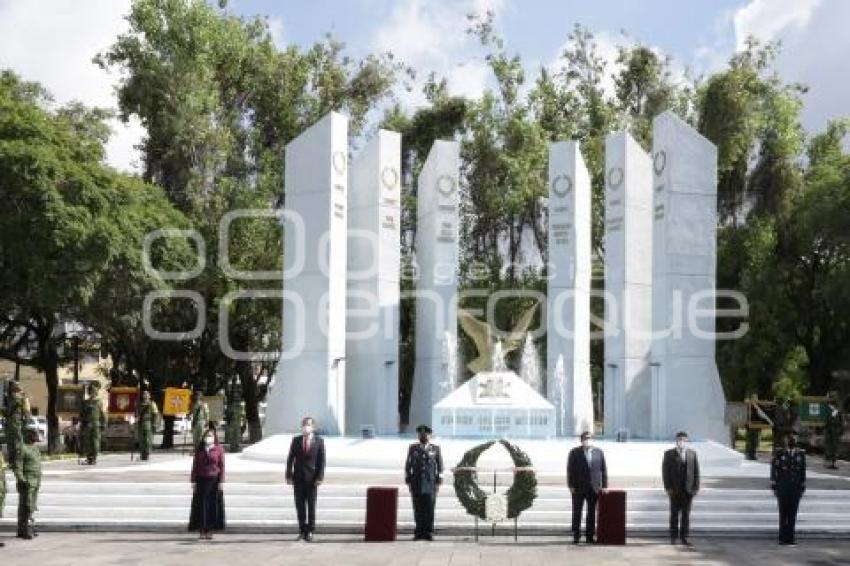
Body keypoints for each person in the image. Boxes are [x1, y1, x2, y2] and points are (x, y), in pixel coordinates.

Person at [286, 416, 325, 541]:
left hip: (312, 479)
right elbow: (290, 458)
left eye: (308, 424)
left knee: (311, 506)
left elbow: (321, 461)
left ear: (313, 427)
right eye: (304, 424)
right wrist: (288, 475)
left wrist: (320, 477)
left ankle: (311, 531)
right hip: (298, 479)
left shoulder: (319, 441)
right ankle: (302, 530)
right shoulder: (296, 440)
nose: (306, 426)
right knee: (300, 506)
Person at [567, 431, 608, 544]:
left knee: (591, 513)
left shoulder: (598, 452)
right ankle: (576, 535)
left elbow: (603, 470)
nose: (587, 440)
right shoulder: (574, 452)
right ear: (581, 440)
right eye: (585, 438)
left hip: (593, 488)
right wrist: (570, 485)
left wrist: (604, 485)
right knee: (577, 512)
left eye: (589, 438)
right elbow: (570, 470)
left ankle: (590, 536)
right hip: (578, 487)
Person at [405, 424, 444, 541]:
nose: (423, 436)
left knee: (429, 509)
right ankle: (418, 532)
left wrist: (438, 481)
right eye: (421, 434)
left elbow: (440, 466)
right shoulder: (413, 448)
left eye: (426, 434)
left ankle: (428, 532)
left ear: (430, 435)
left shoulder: (435, 448)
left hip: (430, 483)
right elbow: (408, 465)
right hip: (416, 483)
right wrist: (408, 480)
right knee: (417, 508)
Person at [662, 431, 700, 546]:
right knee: (674, 514)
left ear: (687, 441)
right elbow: (665, 472)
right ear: (676, 441)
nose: (681, 442)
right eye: (679, 440)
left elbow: (696, 472)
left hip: (688, 491)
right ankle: (673, 537)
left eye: (684, 440)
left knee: (686, 516)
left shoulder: (692, 454)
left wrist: (695, 488)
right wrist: (668, 488)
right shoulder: (669, 454)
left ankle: (684, 537)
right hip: (674, 490)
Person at [189, 427, 226, 540]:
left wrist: (221, 481)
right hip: (201, 480)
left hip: (213, 480)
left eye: (210, 435)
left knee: (211, 506)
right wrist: (193, 481)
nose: (208, 438)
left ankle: (210, 530)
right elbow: (195, 465)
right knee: (201, 506)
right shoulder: (199, 449)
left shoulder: (219, 449)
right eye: (207, 435)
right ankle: (201, 530)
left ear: (214, 437)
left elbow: (222, 466)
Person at [771, 432, 806, 545]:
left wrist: (802, 485)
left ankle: (790, 538)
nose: (791, 440)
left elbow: (802, 471)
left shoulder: (800, 454)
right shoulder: (779, 453)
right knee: (783, 514)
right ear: (785, 440)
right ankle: (782, 538)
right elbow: (774, 468)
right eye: (789, 439)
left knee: (792, 514)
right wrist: (774, 484)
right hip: (783, 487)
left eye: (793, 439)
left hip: (795, 488)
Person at [13, 427, 41, 540]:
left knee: (31, 505)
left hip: (35, 480)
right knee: (26, 506)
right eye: (34, 434)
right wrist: (21, 479)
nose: (36, 437)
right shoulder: (22, 449)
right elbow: (18, 466)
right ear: (28, 435)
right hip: (27, 481)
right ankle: (24, 529)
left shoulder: (35, 448)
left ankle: (24, 529)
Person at [4, 382, 30, 468]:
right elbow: (5, 411)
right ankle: (12, 462)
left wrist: (25, 422)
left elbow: (26, 410)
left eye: (13, 386)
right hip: (9, 423)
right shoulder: (8, 398)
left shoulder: (22, 397)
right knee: (10, 442)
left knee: (18, 442)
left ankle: (19, 462)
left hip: (18, 423)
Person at [80, 382, 106, 465]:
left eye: (93, 391)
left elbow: (102, 414)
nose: (92, 393)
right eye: (90, 391)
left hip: (95, 424)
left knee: (95, 441)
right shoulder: (85, 402)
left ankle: (94, 457)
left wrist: (103, 424)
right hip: (88, 424)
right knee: (88, 441)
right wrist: (82, 423)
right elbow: (82, 414)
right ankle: (89, 458)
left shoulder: (99, 402)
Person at [137, 391, 160, 461]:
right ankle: (142, 454)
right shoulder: (140, 404)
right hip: (140, 423)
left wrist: (155, 424)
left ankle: (147, 454)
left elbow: (156, 415)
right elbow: (137, 414)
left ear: (149, 396)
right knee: (141, 440)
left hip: (148, 423)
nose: (145, 396)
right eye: (144, 394)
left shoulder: (152, 404)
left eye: (147, 394)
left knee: (148, 440)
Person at [824, 394, 842, 470]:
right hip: (830, 431)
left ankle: (833, 463)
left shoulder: (836, 411)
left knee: (834, 448)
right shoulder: (829, 410)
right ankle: (829, 463)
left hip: (834, 432)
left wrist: (840, 430)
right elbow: (829, 421)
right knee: (829, 447)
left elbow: (840, 422)